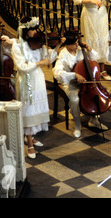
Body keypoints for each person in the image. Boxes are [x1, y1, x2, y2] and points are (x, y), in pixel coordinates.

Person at [11, 16, 65, 159]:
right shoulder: (17, 46)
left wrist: (58, 45)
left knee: (36, 108)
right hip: (26, 80)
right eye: (32, 29)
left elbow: (50, 57)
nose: (35, 32)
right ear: (25, 30)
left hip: (38, 80)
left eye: (36, 29)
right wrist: (40, 63)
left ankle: (32, 136)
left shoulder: (38, 43)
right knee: (28, 109)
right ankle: (29, 144)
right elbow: (22, 67)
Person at [52, 31, 108, 138]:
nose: (77, 45)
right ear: (67, 45)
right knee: (74, 99)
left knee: (96, 94)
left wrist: (88, 48)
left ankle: (94, 119)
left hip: (86, 82)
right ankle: (78, 125)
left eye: (77, 42)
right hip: (71, 83)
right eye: (74, 44)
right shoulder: (63, 54)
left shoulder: (80, 50)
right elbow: (57, 73)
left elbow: (95, 59)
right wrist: (74, 75)